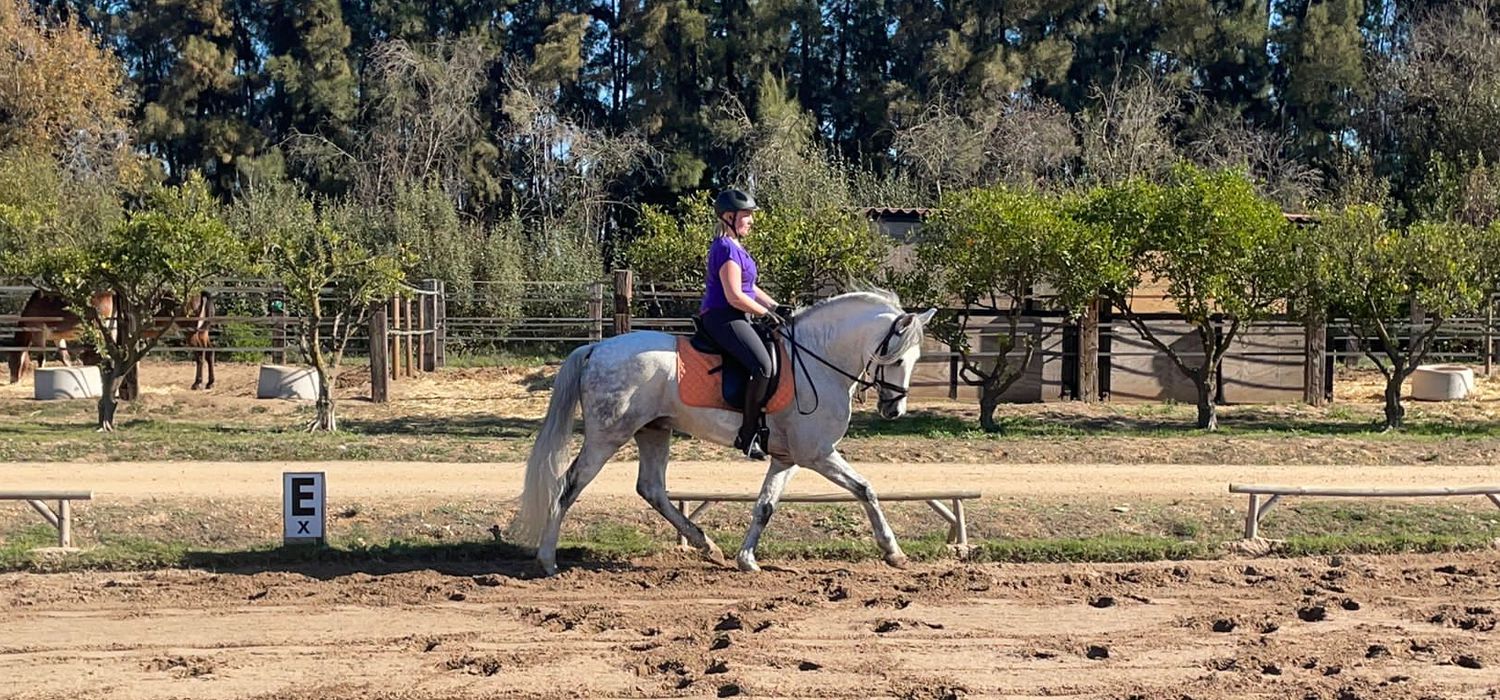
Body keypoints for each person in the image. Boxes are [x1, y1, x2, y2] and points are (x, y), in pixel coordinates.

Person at [699, 188, 793, 460]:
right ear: (729, 217)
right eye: (747, 215)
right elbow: (734, 296)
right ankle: (747, 433)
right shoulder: (726, 248)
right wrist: (765, 314)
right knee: (762, 365)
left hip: (739, 314)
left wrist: (776, 307)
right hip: (723, 316)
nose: (751, 220)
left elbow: (749, 287)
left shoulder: (738, 248)